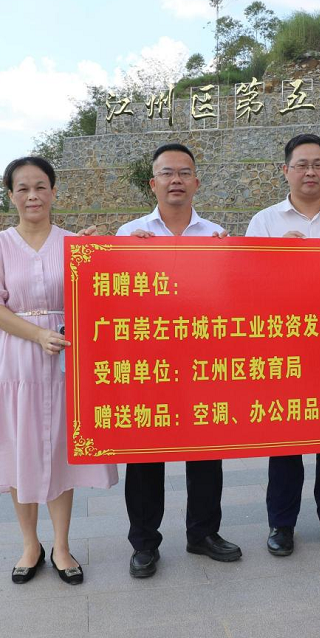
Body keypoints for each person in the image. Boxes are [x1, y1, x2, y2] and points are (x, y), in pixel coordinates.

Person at [0, 156, 118, 585]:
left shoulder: (74, 243)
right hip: (14, 355)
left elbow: (103, 289)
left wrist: (106, 250)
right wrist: (35, 334)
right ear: (11, 195)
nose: (33, 196)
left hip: (67, 356)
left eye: (40, 187)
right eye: (23, 189)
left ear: (53, 191)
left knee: (59, 446)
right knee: (20, 446)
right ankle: (30, 544)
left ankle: (62, 546)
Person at [116, 142, 240, 579]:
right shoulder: (129, 233)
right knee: (145, 456)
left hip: (203, 360)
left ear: (196, 183)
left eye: (184, 173)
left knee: (206, 450)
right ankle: (144, 543)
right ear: (153, 183)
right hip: (148, 361)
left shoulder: (216, 234)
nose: (176, 180)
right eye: (167, 173)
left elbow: (234, 297)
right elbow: (111, 297)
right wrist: (122, 254)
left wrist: (233, 257)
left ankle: (203, 533)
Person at [245, 133, 320, 557]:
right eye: (301, 165)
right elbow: (246, 284)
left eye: (317, 164)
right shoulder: (264, 223)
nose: (310, 172)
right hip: (283, 346)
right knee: (285, 440)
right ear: (286, 171)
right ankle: (282, 524)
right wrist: (276, 256)